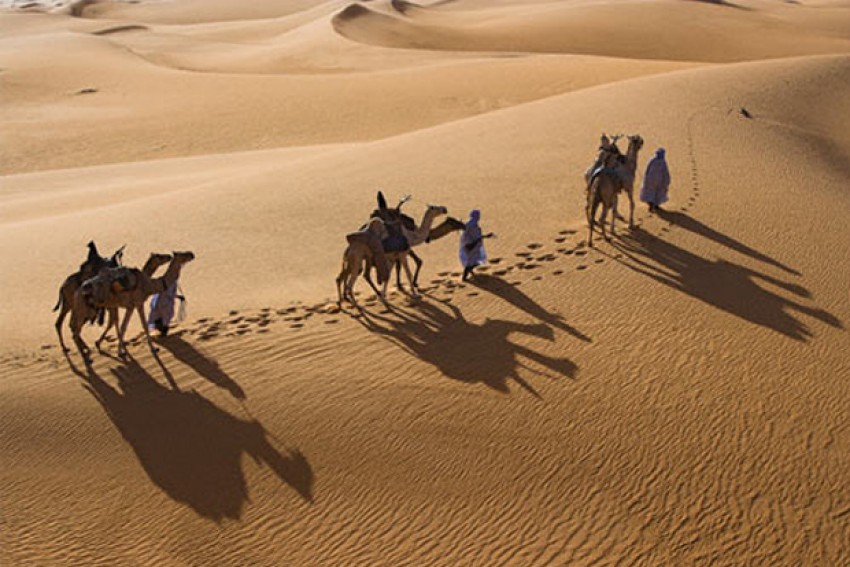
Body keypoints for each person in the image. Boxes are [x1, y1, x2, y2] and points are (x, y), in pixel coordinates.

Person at [459, 209, 494, 281]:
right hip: (471, 246)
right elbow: (474, 236)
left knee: (473, 260)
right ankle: (464, 277)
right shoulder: (473, 225)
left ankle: (468, 273)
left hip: (470, 245)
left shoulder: (469, 223)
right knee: (472, 262)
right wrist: (486, 236)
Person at [640, 147, 671, 213]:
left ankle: (651, 204)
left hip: (650, 180)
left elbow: (647, 169)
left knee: (650, 192)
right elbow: (665, 173)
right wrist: (667, 180)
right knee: (657, 193)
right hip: (659, 181)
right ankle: (655, 205)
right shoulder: (663, 162)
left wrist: (645, 178)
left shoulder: (652, 160)